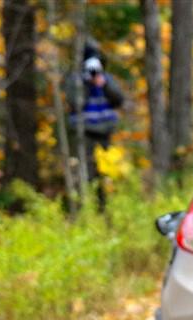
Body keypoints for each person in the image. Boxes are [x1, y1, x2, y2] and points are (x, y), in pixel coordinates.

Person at [66, 46, 124, 212]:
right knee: (86, 173)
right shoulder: (76, 80)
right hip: (84, 134)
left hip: (105, 133)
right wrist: (86, 84)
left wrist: (103, 85)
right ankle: (84, 208)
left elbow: (119, 100)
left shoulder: (106, 79)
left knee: (106, 173)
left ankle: (105, 208)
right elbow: (75, 103)